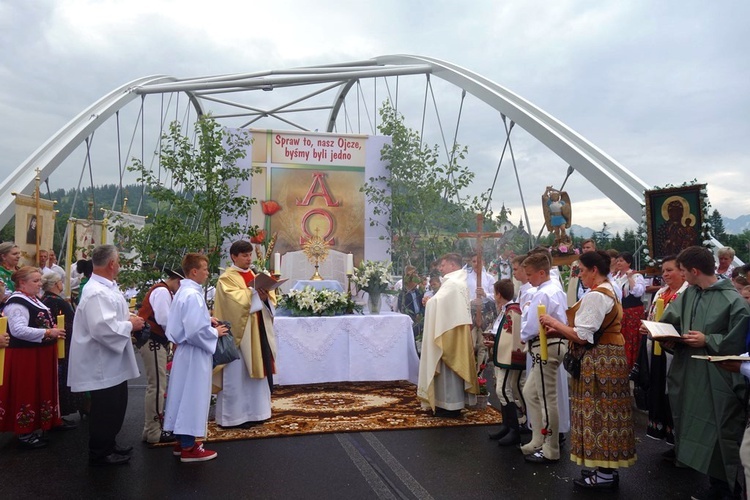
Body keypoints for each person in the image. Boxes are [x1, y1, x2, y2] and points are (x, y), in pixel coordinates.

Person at [658, 246, 750, 499]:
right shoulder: (690, 294)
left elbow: (741, 343)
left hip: (718, 377)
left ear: (695, 271)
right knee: (695, 426)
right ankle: (716, 486)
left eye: (684, 271)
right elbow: (671, 322)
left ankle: (730, 490)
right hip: (690, 373)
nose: (682, 276)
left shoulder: (733, 300)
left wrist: (708, 338)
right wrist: (661, 332)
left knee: (721, 432)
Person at [540, 250, 636, 489]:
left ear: (594, 270)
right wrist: (561, 330)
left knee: (599, 414)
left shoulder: (596, 295)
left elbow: (583, 336)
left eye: (582, 271)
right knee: (608, 414)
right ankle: (606, 470)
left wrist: (554, 323)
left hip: (599, 360)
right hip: (610, 356)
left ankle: (604, 474)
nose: (580, 275)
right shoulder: (610, 288)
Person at [68, 245, 146, 466]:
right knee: (105, 408)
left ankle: (109, 443)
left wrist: (127, 316)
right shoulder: (95, 292)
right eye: (118, 261)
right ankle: (100, 452)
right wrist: (130, 324)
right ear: (112, 263)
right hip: (101, 361)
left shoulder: (107, 287)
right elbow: (102, 328)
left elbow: (112, 315)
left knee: (117, 405)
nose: (119, 265)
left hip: (112, 360)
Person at [163, 253, 228, 463]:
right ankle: (189, 448)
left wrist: (206, 318)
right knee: (192, 397)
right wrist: (214, 333)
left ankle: (182, 441)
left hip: (186, 351)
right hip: (194, 352)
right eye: (205, 269)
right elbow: (194, 331)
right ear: (194, 271)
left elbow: (185, 321)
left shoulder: (184, 291)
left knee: (182, 396)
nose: (207, 273)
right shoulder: (192, 295)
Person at [0, 266, 68, 449]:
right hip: (25, 356)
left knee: (39, 388)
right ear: (22, 283)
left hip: (38, 354)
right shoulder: (16, 302)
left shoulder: (31, 299)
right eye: (35, 281)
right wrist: (48, 331)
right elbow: (18, 330)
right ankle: (24, 432)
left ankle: (44, 423)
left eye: (40, 281)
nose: (40, 285)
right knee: (26, 390)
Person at [213, 240, 277, 428]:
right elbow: (233, 302)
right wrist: (256, 295)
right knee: (237, 374)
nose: (249, 258)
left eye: (250, 255)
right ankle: (234, 417)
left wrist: (266, 297)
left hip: (257, 331)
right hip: (240, 335)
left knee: (257, 373)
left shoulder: (255, 274)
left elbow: (269, 299)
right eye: (244, 255)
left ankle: (258, 413)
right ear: (234, 256)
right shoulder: (227, 278)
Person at [519, 252, 569, 464]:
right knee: (530, 392)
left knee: (548, 399)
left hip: (546, 345)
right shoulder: (552, 289)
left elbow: (531, 325)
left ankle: (551, 447)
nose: (528, 278)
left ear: (542, 272)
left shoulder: (543, 294)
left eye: (530, 274)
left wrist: (522, 334)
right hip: (545, 344)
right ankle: (538, 438)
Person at [417, 252, 479, 417]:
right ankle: (449, 403)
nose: (441, 268)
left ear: (453, 265)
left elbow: (439, 303)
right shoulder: (458, 281)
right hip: (452, 329)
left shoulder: (453, 283)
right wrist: (432, 302)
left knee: (447, 369)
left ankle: (450, 405)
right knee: (449, 370)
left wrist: (430, 302)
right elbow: (443, 303)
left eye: (443, 265)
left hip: (449, 331)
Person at [639, 255, 687, 445]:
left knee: (673, 394)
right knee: (659, 391)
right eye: (663, 271)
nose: (665, 274)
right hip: (656, 348)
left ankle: (681, 445)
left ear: (682, 272)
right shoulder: (661, 292)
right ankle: (668, 437)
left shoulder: (687, 294)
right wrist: (647, 326)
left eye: (670, 270)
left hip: (674, 350)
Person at [136, 268, 183, 445]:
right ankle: (155, 430)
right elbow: (165, 320)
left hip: (154, 341)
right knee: (157, 386)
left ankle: (150, 429)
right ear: (178, 281)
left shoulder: (163, 290)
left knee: (156, 385)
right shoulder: (162, 291)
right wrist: (176, 339)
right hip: (153, 342)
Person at [486, 279, 525, 446]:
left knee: (503, 389)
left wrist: (496, 343)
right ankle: (506, 425)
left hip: (507, 356)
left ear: (498, 294)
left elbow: (512, 337)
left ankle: (514, 429)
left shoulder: (512, 311)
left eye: (495, 293)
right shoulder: (506, 310)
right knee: (502, 389)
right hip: (502, 353)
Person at [41, 272, 84, 422]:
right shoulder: (54, 301)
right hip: (63, 344)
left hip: (63, 342)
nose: (62, 284)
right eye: (60, 282)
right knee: (61, 378)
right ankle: (58, 413)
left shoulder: (48, 299)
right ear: (55, 284)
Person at [612, 251, 645, 369]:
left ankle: (632, 364)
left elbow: (638, 292)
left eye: (621, 261)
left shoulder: (636, 276)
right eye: (617, 261)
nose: (618, 263)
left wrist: (630, 277)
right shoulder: (615, 277)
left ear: (629, 263)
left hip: (632, 311)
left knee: (632, 337)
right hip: (620, 311)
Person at [397, 265, 425, 350]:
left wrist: (420, 314)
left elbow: (423, 305)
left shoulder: (419, 292)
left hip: (420, 320)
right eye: (414, 280)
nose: (416, 283)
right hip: (410, 322)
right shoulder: (403, 294)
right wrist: (413, 318)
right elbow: (403, 309)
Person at [566, 239, 596, 307]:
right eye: (583, 248)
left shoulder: (598, 263)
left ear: (593, 249)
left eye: (588, 247)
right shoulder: (576, 264)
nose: (585, 249)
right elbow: (573, 279)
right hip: (577, 294)